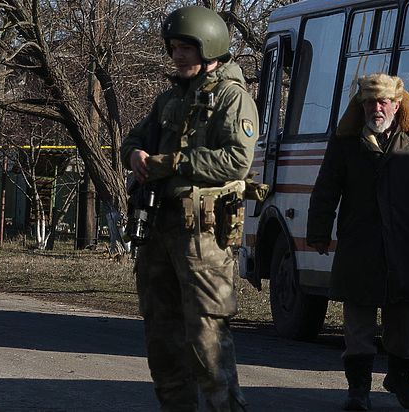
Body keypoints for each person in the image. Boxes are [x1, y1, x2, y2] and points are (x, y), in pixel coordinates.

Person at [120, 6, 258, 411]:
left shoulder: (233, 98)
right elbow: (133, 139)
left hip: (202, 238)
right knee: (161, 338)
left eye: (187, 48)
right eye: (175, 47)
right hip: (158, 230)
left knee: (207, 341)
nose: (178, 55)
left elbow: (236, 160)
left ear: (210, 47)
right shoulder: (167, 100)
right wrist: (135, 157)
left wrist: (173, 164)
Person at [306, 73, 409, 411]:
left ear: (397, 104)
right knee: (358, 329)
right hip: (359, 248)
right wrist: (318, 232)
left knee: (404, 330)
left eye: (384, 101)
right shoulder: (346, 139)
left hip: (406, 249)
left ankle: (401, 379)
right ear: (361, 105)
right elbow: (326, 188)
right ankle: (358, 390)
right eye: (370, 102)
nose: (377, 108)